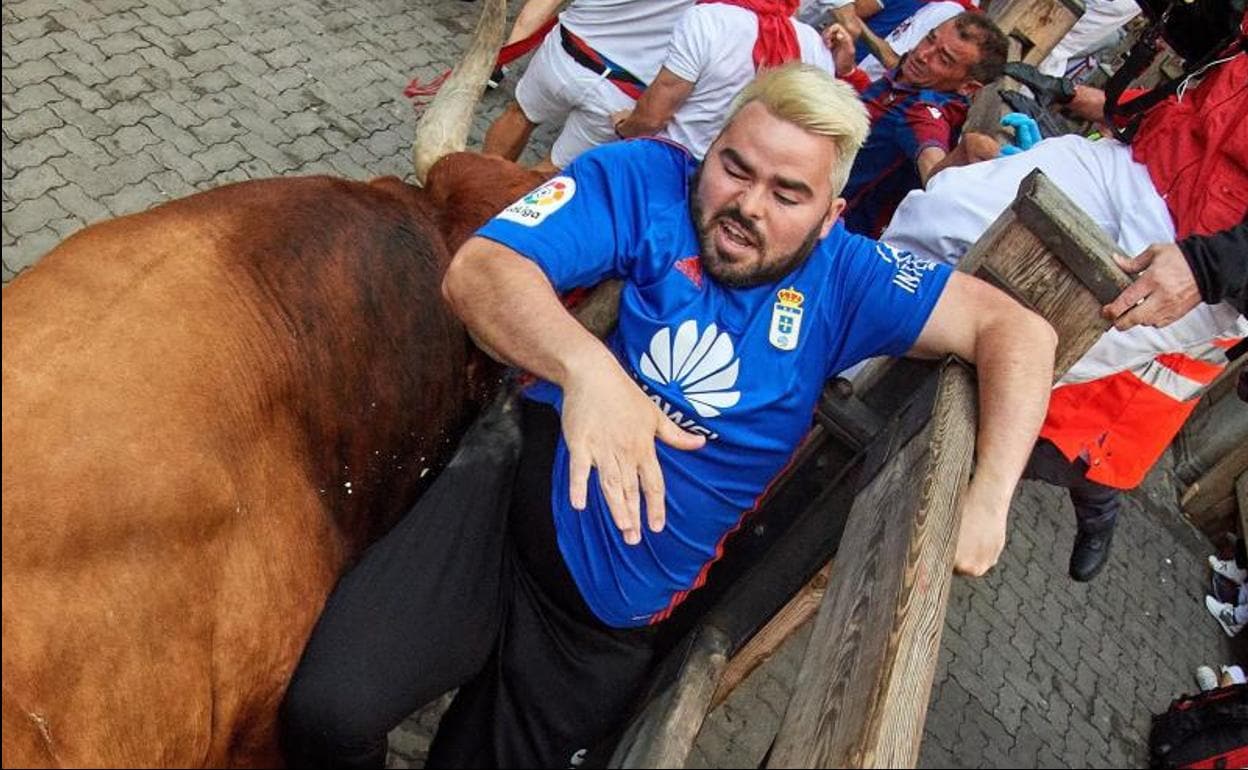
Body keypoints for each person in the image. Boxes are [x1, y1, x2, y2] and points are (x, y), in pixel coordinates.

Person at [279, 63, 1056, 768]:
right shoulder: (649, 181)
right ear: (710, 148)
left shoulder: (848, 278)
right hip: (499, 508)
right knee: (327, 713)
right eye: (734, 168)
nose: (746, 206)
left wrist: (988, 498)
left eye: (788, 194)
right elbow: (483, 270)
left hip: (600, 624)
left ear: (830, 216)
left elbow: (1019, 330)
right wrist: (589, 373)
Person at [880, 2, 1247, 581]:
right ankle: (833, 358)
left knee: (1027, 352)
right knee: (942, 216)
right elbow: (1221, 65)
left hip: (1201, 255)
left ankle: (966, 499)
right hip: (1141, 162)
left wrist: (1211, 265)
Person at [826, 12, 1009, 237]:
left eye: (944, 59)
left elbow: (936, 177)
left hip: (828, 232)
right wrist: (849, 73)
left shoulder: (926, 111)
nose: (923, 54)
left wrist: (961, 156)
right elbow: (876, 114)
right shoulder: (909, 77)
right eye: (930, 38)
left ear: (968, 88)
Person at [609, 0, 837, 159]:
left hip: (670, 162)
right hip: (738, 188)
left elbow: (652, 118)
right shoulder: (818, 47)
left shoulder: (707, 19)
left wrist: (624, 128)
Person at [481, 0, 693, 170]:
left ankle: (475, 192)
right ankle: (508, 217)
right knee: (558, 170)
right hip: (621, 91)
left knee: (520, 115)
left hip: (565, 54)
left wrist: (507, 52)